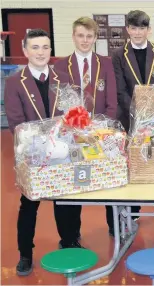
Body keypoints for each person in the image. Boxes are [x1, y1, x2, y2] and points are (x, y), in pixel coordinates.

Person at [4, 29, 81, 276]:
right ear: (25, 51)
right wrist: (44, 143)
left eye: (45, 47)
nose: (40, 52)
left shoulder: (62, 78)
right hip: (33, 155)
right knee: (29, 205)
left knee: (66, 202)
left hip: (63, 152)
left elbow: (72, 112)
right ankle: (25, 253)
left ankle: (69, 241)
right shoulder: (14, 82)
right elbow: (16, 123)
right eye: (35, 47)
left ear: (51, 50)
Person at [112, 10, 154, 229]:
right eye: (133, 28)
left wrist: (152, 111)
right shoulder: (118, 55)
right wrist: (136, 112)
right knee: (134, 162)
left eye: (142, 28)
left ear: (148, 30)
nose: (137, 32)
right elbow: (120, 89)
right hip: (130, 117)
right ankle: (133, 207)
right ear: (127, 30)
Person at [54, 16, 118, 238]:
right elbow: (59, 102)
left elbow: (112, 101)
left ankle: (114, 227)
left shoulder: (106, 63)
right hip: (71, 135)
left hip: (100, 132)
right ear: (73, 37)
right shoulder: (61, 65)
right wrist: (73, 129)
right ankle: (71, 235)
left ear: (95, 38)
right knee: (73, 183)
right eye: (80, 35)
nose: (84, 40)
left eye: (89, 36)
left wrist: (103, 129)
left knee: (108, 180)